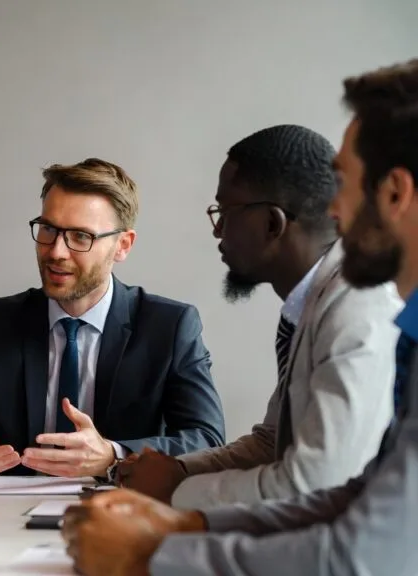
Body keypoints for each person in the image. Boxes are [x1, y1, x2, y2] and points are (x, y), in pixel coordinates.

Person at [62, 58, 418, 576]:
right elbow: (350, 493)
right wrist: (188, 523)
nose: (331, 208)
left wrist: (156, 550)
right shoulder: (322, 304)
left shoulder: (359, 308)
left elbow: (356, 545)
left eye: (344, 185)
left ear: (394, 194)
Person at [117, 125, 399, 508]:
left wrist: (176, 489)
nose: (217, 230)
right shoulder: (310, 304)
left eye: (225, 212)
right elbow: (272, 442)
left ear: (272, 223)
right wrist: (178, 470)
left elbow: (315, 482)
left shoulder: (357, 309)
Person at [0, 159, 226, 480]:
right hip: (9, 516)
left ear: (122, 245)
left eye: (80, 236)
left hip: (119, 513)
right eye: (48, 229)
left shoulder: (169, 326)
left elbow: (206, 440)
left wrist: (113, 455)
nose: (57, 251)